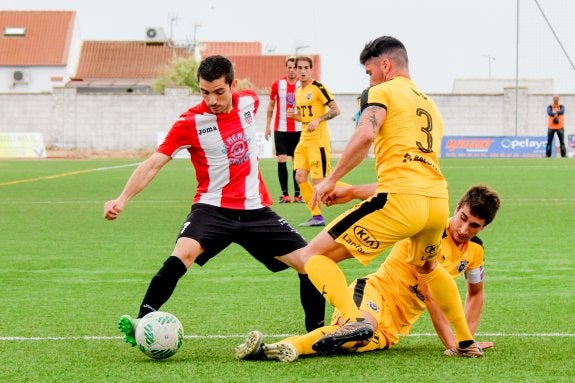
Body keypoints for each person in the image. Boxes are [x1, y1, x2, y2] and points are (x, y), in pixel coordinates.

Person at [103, 56, 326, 347]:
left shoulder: (249, 102)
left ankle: (317, 334)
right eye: (205, 92)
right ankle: (141, 319)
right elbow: (154, 163)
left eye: (219, 92)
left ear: (232, 86)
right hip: (212, 208)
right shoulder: (189, 122)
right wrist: (122, 198)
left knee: (311, 263)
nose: (211, 100)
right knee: (182, 254)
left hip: (255, 210)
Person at [287, 36, 483, 357]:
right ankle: (464, 342)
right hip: (436, 202)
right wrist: (351, 192)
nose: (369, 78)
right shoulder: (429, 103)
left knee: (310, 257)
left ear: (386, 65)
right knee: (428, 266)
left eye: (369, 71)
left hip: (399, 201)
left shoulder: (380, 92)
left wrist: (332, 179)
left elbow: (366, 133)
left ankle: (353, 319)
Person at [235, 184, 501, 362]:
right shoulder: (428, 232)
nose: (464, 229)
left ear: (484, 227)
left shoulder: (475, 252)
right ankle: (290, 346)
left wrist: (469, 337)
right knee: (361, 326)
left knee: (353, 342)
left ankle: (267, 351)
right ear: (456, 208)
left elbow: (475, 294)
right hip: (374, 292)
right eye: (463, 218)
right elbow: (431, 296)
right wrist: (457, 344)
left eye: (474, 225)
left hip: (395, 326)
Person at [287, 56, 341, 227]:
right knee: (300, 176)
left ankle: (361, 195)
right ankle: (317, 216)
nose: (302, 71)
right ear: (295, 70)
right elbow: (304, 118)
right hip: (303, 141)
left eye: (305, 68)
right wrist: (293, 116)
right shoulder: (297, 91)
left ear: (311, 69)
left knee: (321, 183)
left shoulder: (318, 88)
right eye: (299, 68)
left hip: (318, 142)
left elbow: (335, 110)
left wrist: (318, 120)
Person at [265, 56, 304, 204]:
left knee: (297, 161)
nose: (292, 70)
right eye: (290, 67)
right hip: (280, 128)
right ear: (286, 68)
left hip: (298, 128)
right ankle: (285, 194)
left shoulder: (303, 85)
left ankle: (298, 194)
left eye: (295, 68)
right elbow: (270, 106)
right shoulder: (277, 85)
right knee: (281, 159)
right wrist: (267, 126)